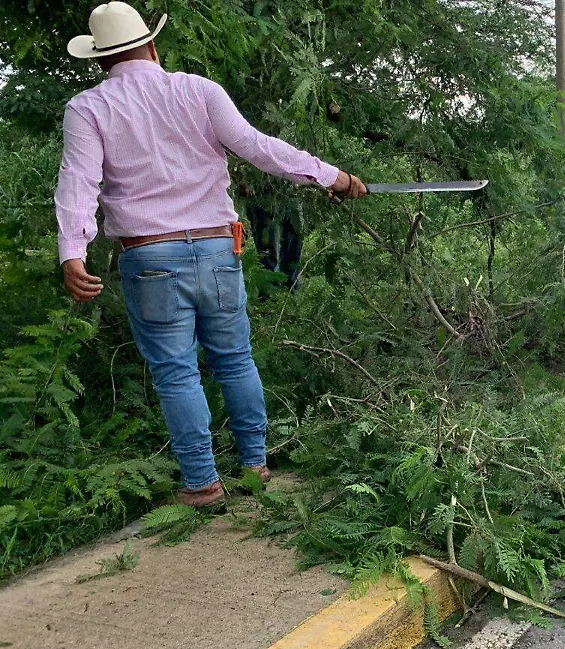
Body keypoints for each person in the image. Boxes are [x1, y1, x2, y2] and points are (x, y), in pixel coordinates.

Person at [56, 2, 368, 507]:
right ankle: (254, 466)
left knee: (176, 372)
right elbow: (257, 146)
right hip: (218, 248)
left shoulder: (88, 108)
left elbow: (79, 181)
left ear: (100, 60)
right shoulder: (199, 90)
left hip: (150, 257)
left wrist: (73, 251)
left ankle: (202, 483)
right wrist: (334, 177)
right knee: (235, 359)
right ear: (152, 46)